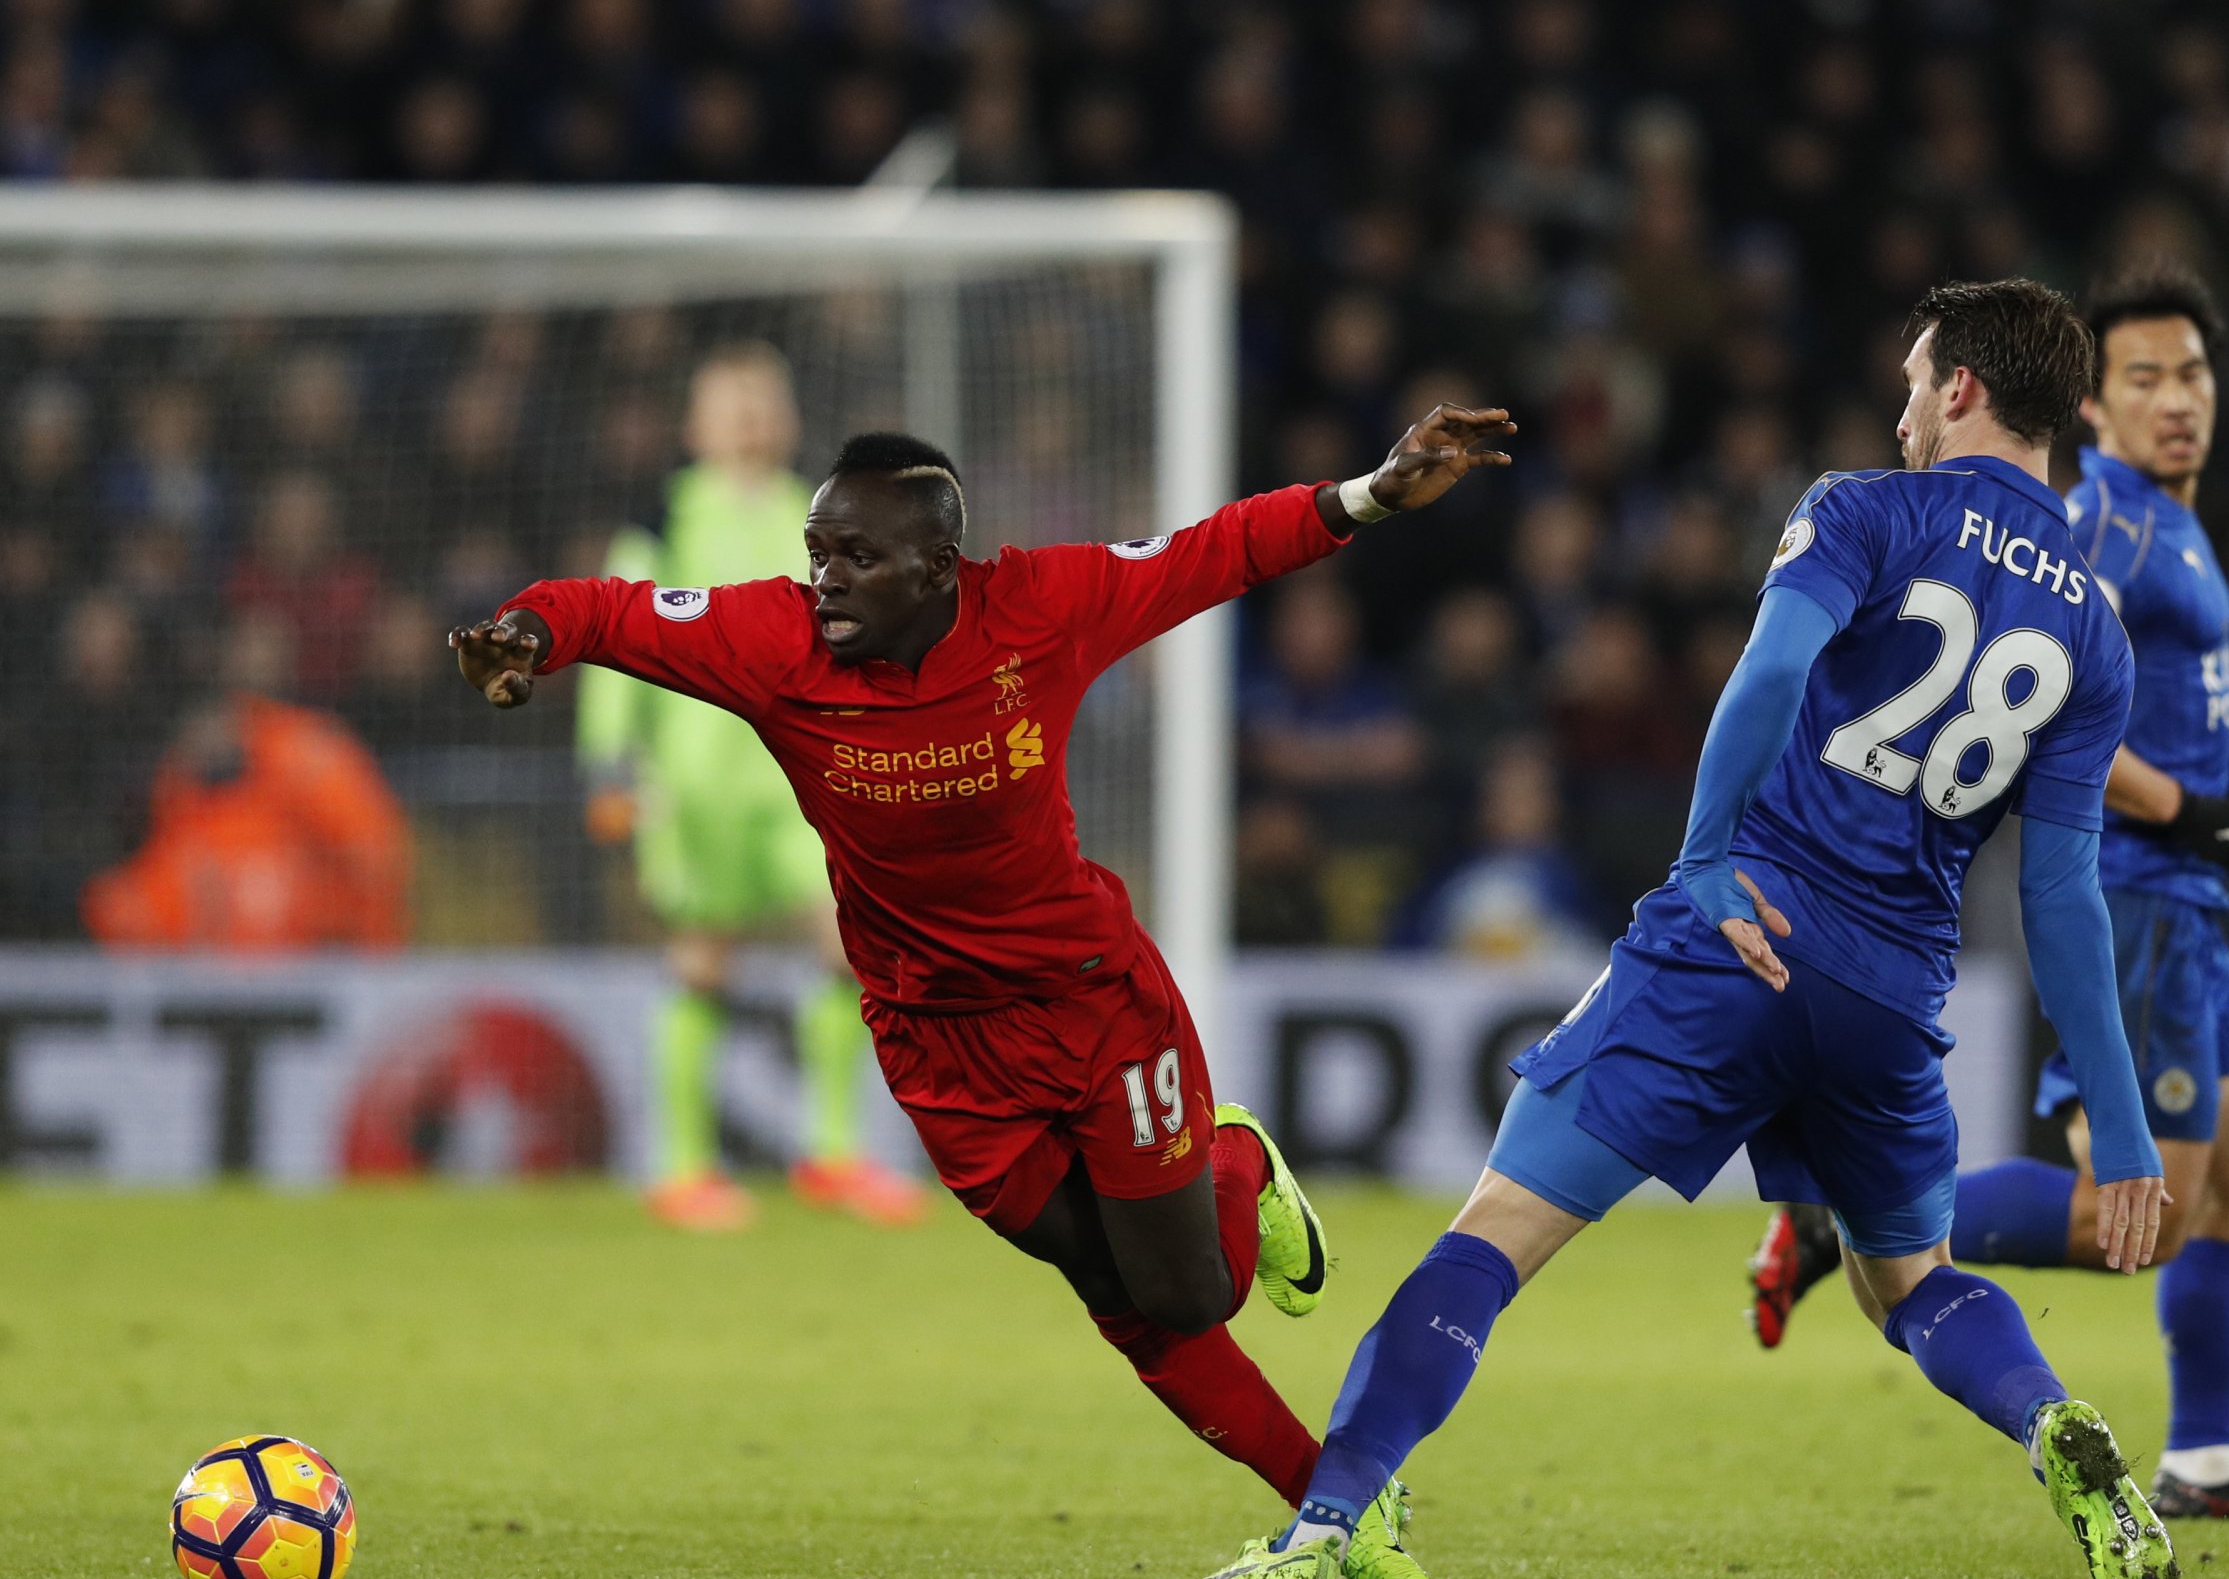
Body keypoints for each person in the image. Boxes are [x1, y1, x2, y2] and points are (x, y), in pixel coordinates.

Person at [1185, 281, 2182, 1579]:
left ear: (1965, 392)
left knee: (1496, 1231)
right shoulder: (2096, 634)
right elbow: (2064, 892)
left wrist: (1707, 853)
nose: (1899, 410)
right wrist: (2119, 1133)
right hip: (1892, 992)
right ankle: (2055, 1422)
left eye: (1913, 380)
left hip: (1744, 935)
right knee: (1913, 1283)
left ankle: (1324, 1522)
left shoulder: (1865, 509)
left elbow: (1768, 676)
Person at [450, 405, 1515, 1519]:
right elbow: (607, 610)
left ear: (938, 565)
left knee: (1196, 1292)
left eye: (858, 556)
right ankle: (1337, 1509)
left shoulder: (1040, 607)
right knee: (1116, 1293)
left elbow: (1217, 551)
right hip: (936, 1044)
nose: (825, 580)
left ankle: (1235, 1159)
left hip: (1091, 1003)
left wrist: (1373, 494)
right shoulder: (774, 644)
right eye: (817, 553)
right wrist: (525, 635)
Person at [1748, 271, 2229, 1522]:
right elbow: (2052, 710)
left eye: (2191, 373)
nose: (2175, 400)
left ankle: (2206, 1463)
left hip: (2184, 894)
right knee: (2149, 1211)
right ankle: (1844, 1225)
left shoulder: (2170, 522)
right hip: (2135, 896)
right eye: (2143, 379)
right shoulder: (2105, 532)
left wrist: (2201, 784)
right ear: (2089, 402)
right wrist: (2183, 807)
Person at [575, 343, 924, 1232]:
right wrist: (611, 759)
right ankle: (684, 1169)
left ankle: (834, 1155)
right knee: (703, 955)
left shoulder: (819, 516)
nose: (748, 418)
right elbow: (614, 632)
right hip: (692, 779)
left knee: (847, 942)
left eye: (762, 402)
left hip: (801, 775)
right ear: (695, 425)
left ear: (790, 418)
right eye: (729, 404)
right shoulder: (661, 516)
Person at [86, 612, 411, 952]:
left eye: (208, 721)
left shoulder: (304, 753)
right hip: (217, 980)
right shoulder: (181, 789)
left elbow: (375, 855)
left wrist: (333, 921)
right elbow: (147, 894)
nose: (199, 741)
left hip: (335, 966)